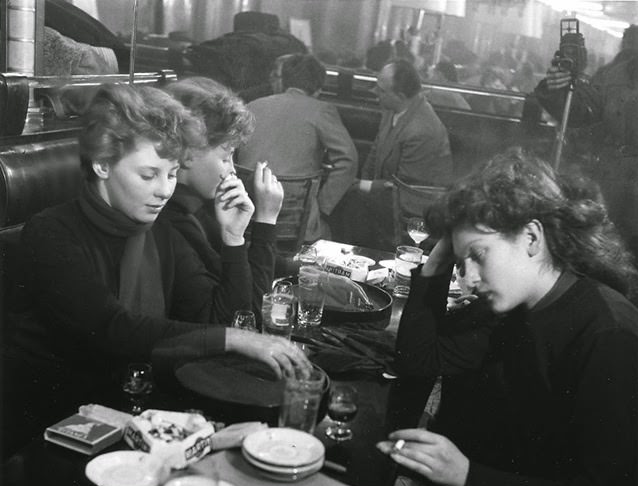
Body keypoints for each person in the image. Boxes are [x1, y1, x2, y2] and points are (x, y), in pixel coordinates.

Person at [356, 148, 638, 486]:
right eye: (461, 261)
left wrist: (465, 474)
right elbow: (421, 360)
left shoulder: (608, 335)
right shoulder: (516, 307)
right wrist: (437, 265)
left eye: (479, 255)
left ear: (532, 238)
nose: (467, 276)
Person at [2, 84, 309, 452]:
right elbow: (112, 329)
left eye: (172, 173)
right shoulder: (51, 232)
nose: (164, 190)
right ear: (102, 165)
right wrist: (236, 338)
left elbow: (225, 318)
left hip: (135, 411)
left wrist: (234, 239)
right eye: (148, 176)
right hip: (50, 426)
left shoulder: (161, 231)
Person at [163, 77, 282, 319]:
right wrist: (264, 223)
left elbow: (252, 304)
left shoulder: (205, 209)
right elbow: (243, 317)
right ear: (188, 151)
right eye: (226, 156)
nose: (233, 170)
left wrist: (263, 221)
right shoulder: (173, 220)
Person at [535, 24, 638, 263]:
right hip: (611, 187)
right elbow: (581, 114)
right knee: (607, 260)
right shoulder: (615, 76)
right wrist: (559, 89)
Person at [331, 58, 452, 251]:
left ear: (400, 95)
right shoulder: (392, 110)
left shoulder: (422, 130)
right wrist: (361, 183)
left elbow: (405, 187)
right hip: (388, 196)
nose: (375, 93)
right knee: (343, 198)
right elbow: (374, 153)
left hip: (415, 209)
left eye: (381, 90)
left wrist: (360, 186)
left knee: (346, 203)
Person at [236, 54, 358, 243]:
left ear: (283, 80)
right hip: (294, 219)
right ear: (318, 89)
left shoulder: (253, 105)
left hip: (244, 214)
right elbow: (348, 161)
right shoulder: (322, 110)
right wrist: (323, 205)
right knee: (330, 236)